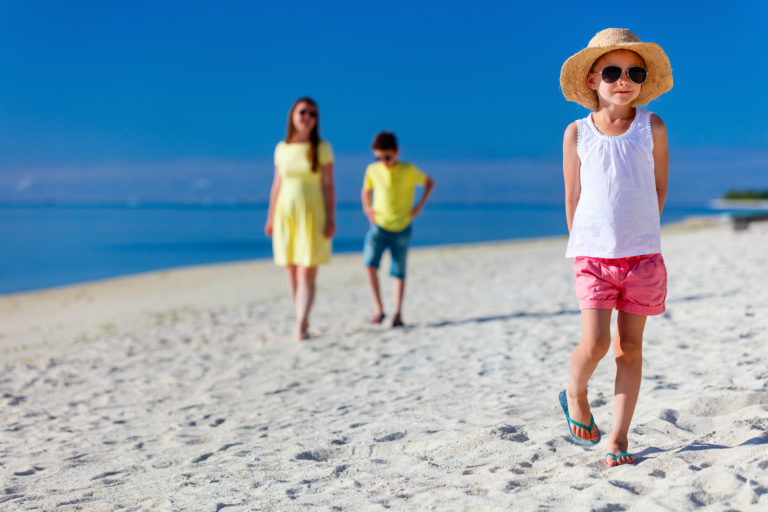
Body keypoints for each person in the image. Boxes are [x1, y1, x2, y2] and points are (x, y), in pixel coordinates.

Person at [558, 28, 672, 466]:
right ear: (592, 80)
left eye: (634, 73)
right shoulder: (576, 133)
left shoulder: (651, 127)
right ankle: (575, 391)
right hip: (593, 257)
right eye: (611, 72)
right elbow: (572, 195)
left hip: (642, 256)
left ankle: (619, 438)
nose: (623, 80)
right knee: (595, 343)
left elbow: (658, 187)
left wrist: (640, 233)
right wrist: (583, 243)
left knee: (630, 349)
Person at [265, 97, 335, 340]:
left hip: (313, 213)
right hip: (286, 213)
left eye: (312, 114)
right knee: (291, 268)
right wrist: (270, 217)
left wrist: (331, 218)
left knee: (307, 269)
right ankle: (301, 318)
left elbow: (328, 185)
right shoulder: (281, 148)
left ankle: (300, 323)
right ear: (293, 115)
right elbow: (277, 184)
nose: (307, 117)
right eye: (303, 112)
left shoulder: (322, 148)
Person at [361, 131, 434, 328]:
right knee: (369, 264)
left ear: (397, 152)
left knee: (399, 271)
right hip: (379, 225)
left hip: (402, 227)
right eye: (378, 157)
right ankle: (379, 310)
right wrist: (367, 209)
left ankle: (398, 313)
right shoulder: (372, 170)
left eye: (387, 157)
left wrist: (419, 207)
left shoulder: (409, 170)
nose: (383, 162)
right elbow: (366, 190)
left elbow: (429, 182)